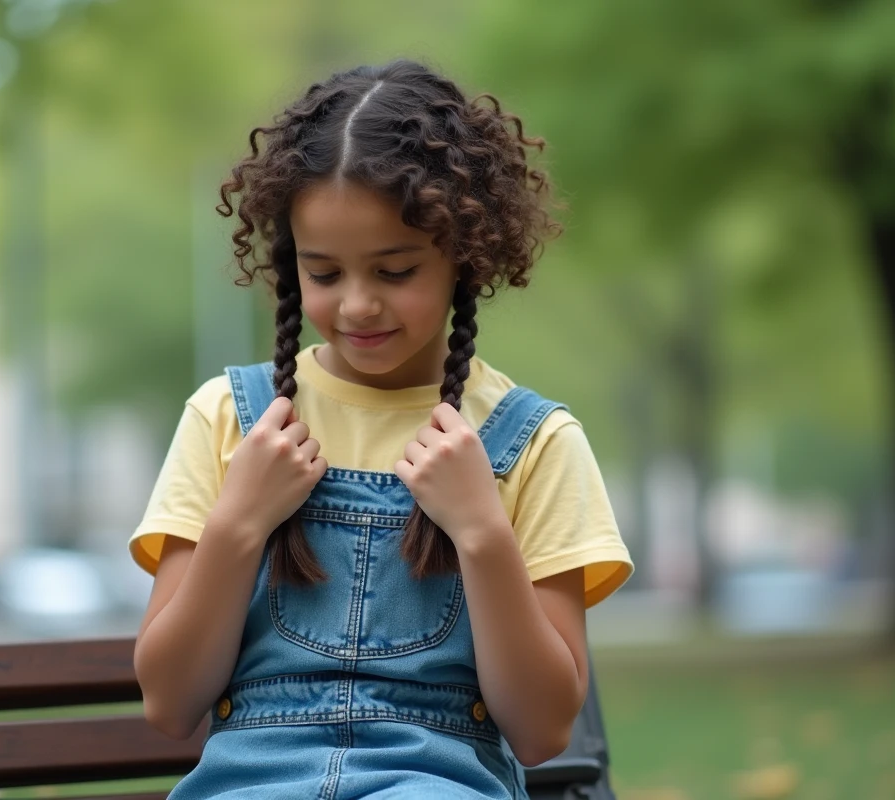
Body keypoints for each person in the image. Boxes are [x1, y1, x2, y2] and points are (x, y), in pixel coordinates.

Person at [129, 59, 633, 800]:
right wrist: (239, 521)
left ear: (465, 256)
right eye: (325, 274)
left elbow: (541, 730)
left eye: (395, 271)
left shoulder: (536, 441)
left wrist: (482, 531)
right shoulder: (228, 419)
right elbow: (170, 705)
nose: (358, 305)